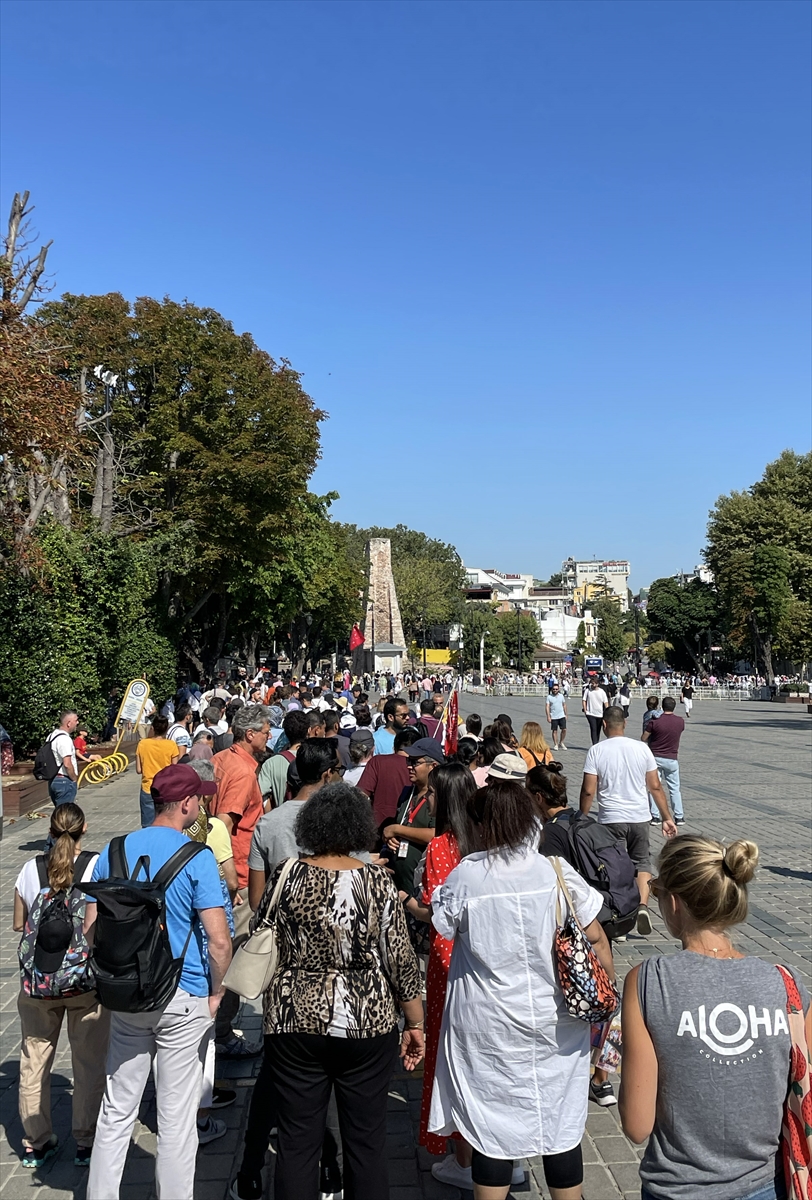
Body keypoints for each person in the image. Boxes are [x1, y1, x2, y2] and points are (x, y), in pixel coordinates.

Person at [428, 780, 615, 1200]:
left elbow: (440, 922)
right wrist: (607, 1003)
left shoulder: (469, 875)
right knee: (561, 1123)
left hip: (486, 1025)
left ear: (483, 825)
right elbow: (597, 936)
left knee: (492, 1125)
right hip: (557, 1025)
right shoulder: (554, 870)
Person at [237, 784, 424, 1200]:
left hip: (293, 1019)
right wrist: (414, 1021)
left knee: (296, 1142)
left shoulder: (286, 874)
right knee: (367, 1142)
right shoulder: (376, 881)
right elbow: (400, 958)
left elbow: (262, 931)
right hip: (366, 1021)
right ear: (359, 828)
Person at [620, 834, 810, 1200]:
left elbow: (637, 1124)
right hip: (768, 1185)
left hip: (676, 1188)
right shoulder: (787, 984)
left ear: (674, 902)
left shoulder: (648, 981)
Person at [86, 765, 232, 1200]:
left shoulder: (111, 852)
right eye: (199, 799)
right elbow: (219, 941)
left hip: (128, 996)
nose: (202, 805)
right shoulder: (197, 856)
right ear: (186, 804)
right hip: (182, 996)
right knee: (175, 1118)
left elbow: (91, 930)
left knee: (116, 1109)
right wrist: (216, 993)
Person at [13, 803, 109, 1169]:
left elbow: (20, 925)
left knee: (34, 1060)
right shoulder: (96, 866)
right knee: (88, 1062)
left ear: (50, 831)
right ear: (84, 828)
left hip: (37, 983)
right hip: (83, 982)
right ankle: (86, 1142)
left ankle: (36, 1142)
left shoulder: (28, 869)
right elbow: (98, 925)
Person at [579, 706, 677, 936]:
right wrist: (667, 817)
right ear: (625, 724)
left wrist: (582, 818)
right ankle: (642, 905)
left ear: (604, 725)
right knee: (642, 862)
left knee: (614, 868)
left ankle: (620, 917)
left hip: (610, 819)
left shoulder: (596, 751)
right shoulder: (642, 749)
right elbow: (655, 786)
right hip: (640, 817)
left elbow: (588, 790)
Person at [209, 705, 271, 1056]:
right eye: (264, 732)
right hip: (239, 874)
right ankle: (222, 1032)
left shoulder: (221, 760)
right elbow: (223, 826)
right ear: (249, 735)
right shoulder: (243, 772)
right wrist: (229, 880)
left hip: (228, 871)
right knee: (232, 955)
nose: (268, 737)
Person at [247, 739, 344, 909]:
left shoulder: (267, 823)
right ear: (327, 774)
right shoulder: (343, 819)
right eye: (339, 771)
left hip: (282, 925)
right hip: (332, 920)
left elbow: (256, 901)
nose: (341, 777)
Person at [382, 737, 442, 892]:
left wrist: (396, 830)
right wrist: (390, 838)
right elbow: (401, 824)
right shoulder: (408, 792)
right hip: (397, 882)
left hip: (421, 886)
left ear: (433, 766)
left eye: (415, 762)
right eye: (408, 761)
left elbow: (436, 835)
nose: (409, 767)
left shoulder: (440, 797)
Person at [357, 726, 421, 833]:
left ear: (394, 747)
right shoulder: (423, 769)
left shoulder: (378, 762)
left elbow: (360, 795)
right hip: (411, 832)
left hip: (377, 828)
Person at [643, 696, 685, 825]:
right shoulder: (680, 721)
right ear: (674, 707)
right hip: (672, 758)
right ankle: (679, 816)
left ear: (662, 706)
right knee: (675, 788)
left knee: (654, 787)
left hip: (655, 757)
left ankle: (655, 816)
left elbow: (643, 737)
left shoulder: (654, 722)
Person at [135, 715, 180, 827]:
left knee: (148, 824)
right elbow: (175, 769)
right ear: (166, 729)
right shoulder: (171, 745)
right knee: (166, 822)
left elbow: (139, 769)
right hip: (166, 788)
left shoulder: (143, 744)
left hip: (148, 787)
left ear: (152, 728)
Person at [44, 710, 82, 809]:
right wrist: (74, 779)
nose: (77, 722)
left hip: (53, 779)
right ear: (69, 723)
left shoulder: (51, 736)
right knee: (64, 815)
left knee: (59, 813)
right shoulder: (64, 739)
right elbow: (67, 763)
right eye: (76, 720)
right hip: (64, 781)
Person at [582, 678, 609, 745]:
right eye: (592, 683)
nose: (593, 685)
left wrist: (608, 711)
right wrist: (585, 710)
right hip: (590, 713)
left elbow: (605, 702)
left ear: (597, 684)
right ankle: (594, 744)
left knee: (598, 729)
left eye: (594, 683)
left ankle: (596, 742)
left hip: (600, 714)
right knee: (593, 728)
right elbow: (584, 700)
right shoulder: (588, 691)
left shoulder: (601, 692)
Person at [545, 683, 569, 751]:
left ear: (558, 689)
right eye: (554, 689)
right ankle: (555, 744)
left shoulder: (561, 696)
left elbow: (564, 705)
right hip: (554, 716)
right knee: (554, 731)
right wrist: (548, 716)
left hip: (561, 715)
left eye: (556, 689)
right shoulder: (549, 697)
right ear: (552, 689)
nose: (555, 690)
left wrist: (566, 714)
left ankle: (561, 742)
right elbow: (547, 707)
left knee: (564, 729)